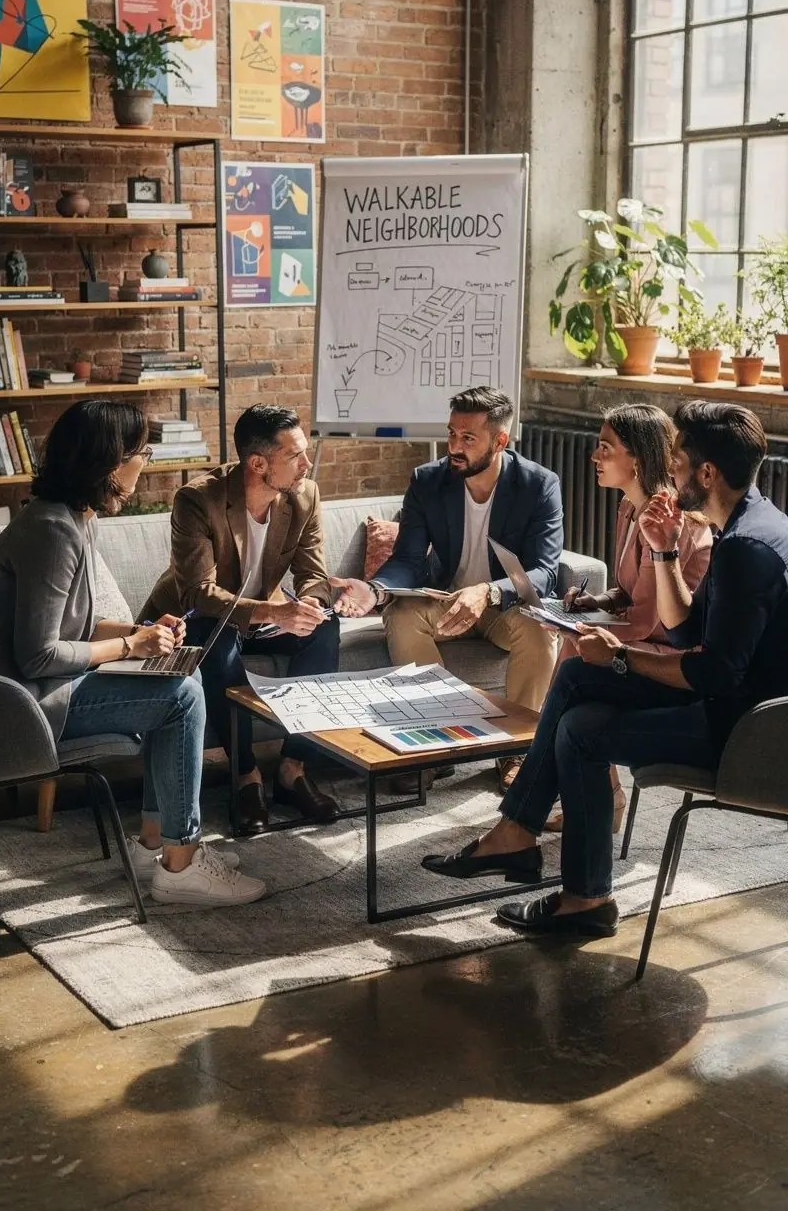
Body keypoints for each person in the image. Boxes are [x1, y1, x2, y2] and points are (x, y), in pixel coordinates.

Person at [423, 401, 788, 940]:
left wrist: (618, 656)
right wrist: (663, 554)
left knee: (581, 730)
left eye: (680, 460)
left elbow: (713, 674)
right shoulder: (750, 524)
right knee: (574, 680)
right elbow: (688, 632)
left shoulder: (745, 549)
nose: (672, 470)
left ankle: (579, 893)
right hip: (731, 707)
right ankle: (522, 838)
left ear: (707, 473)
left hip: (744, 734)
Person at [0, 401, 265, 909]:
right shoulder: (52, 531)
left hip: (38, 692)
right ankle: (180, 864)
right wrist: (132, 647)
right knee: (180, 697)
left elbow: (73, 626)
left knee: (178, 683)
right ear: (109, 462)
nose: (145, 462)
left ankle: (156, 843)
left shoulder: (70, 519)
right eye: (141, 451)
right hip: (22, 708)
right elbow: (39, 655)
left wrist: (139, 630)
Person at [331, 386, 563, 791]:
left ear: (500, 441)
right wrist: (375, 590)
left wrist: (489, 592)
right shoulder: (428, 480)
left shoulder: (538, 485)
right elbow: (407, 559)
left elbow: (544, 572)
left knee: (540, 631)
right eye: (452, 433)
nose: (455, 446)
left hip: (502, 606)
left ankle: (518, 749)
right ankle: (435, 746)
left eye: (468, 438)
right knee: (401, 615)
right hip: (446, 602)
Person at [141, 403, 340, 835]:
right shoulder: (198, 500)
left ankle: (293, 768)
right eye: (295, 456)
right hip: (199, 618)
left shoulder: (305, 495)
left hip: (261, 615)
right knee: (215, 638)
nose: (307, 464)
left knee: (324, 628)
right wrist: (274, 611)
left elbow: (314, 574)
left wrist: (307, 605)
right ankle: (246, 776)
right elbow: (199, 593)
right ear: (257, 463)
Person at [546, 404, 712, 834]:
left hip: (675, 650)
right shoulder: (628, 507)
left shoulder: (667, 518)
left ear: (636, 458)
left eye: (605, 448)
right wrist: (589, 603)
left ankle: (583, 791)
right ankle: (598, 793)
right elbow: (627, 591)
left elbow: (647, 621)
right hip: (646, 633)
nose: (594, 457)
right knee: (576, 647)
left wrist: (577, 630)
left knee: (576, 652)